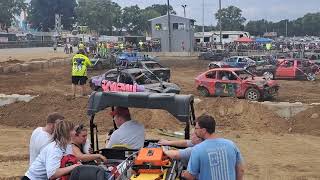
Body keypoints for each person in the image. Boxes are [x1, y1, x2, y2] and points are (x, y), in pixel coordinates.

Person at [182, 114, 245, 180]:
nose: (195, 131)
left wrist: (183, 173)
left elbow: (190, 176)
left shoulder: (197, 149)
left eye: (196, 128)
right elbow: (241, 170)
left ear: (203, 130)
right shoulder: (231, 144)